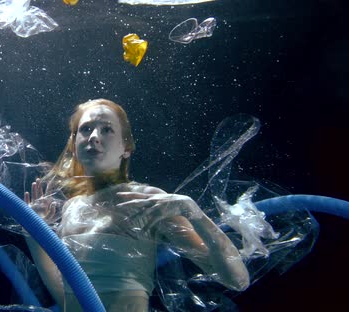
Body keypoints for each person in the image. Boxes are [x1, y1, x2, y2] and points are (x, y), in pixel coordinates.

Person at [23, 99, 250, 312]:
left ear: (126, 147)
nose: (93, 136)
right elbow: (65, 296)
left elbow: (237, 279)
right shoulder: (71, 208)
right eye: (85, 129)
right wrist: (34, 235)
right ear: (74, 144)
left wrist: (194, 213)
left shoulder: (148, 201)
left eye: (107, 129)